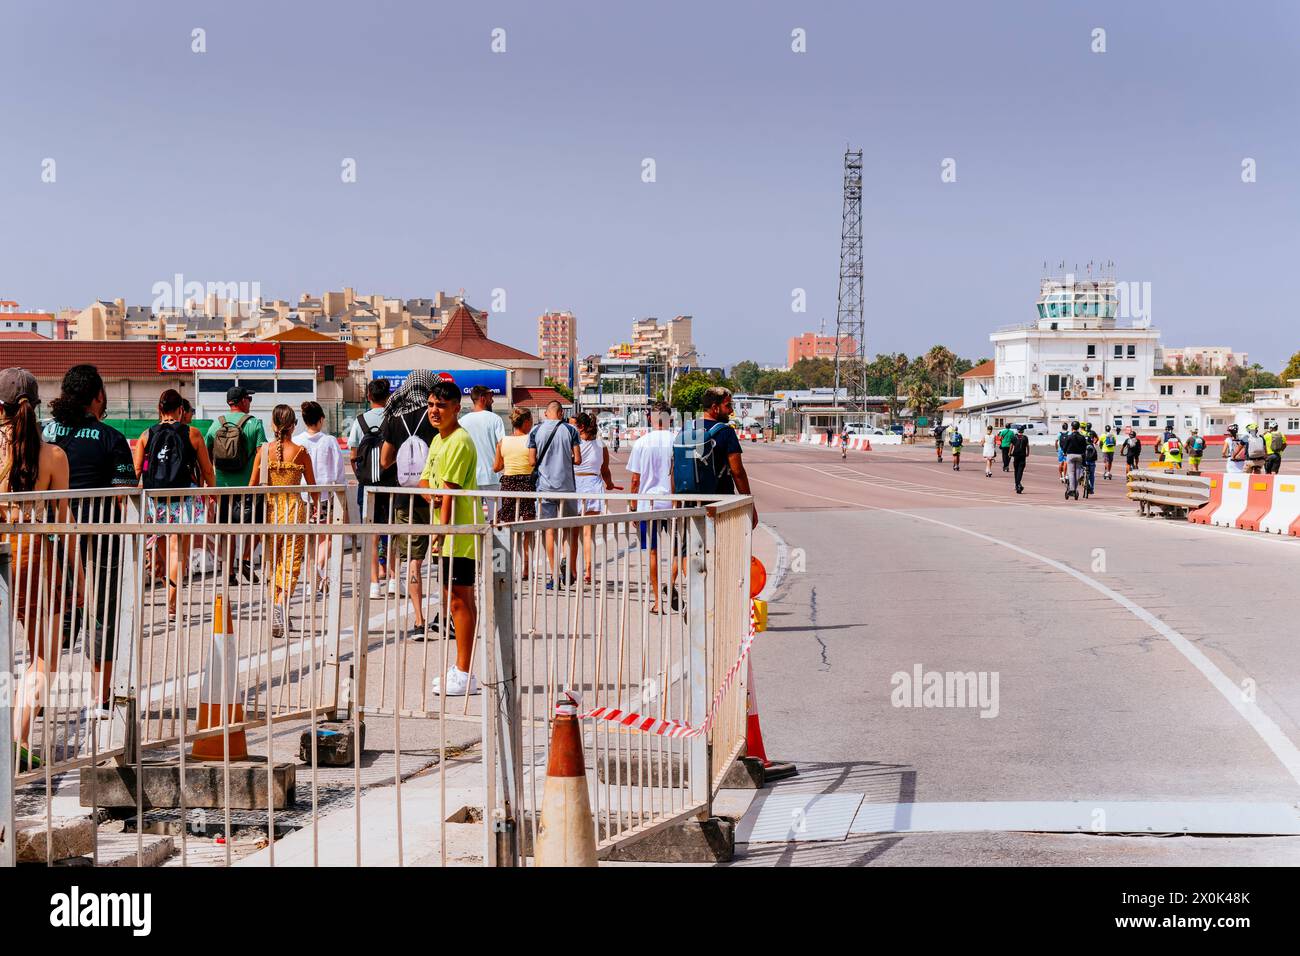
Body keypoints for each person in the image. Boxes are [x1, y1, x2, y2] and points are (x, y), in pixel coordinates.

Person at [43, 364, 137, 711]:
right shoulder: (110, 437)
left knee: (51, 614)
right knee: (102, 612)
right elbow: (124, 491)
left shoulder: (44, 433)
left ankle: (35, 697)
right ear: (98, 396)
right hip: (101, 538)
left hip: (50, 535)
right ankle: (101, 696)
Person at [2, 368, 70, 771]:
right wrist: (79, 581)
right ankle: (18, 738)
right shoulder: (53, 455)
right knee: (43, 657)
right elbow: (65, 528)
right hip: (32, 556)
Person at [420, 379, 481, 697]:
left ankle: (465, 670)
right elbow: (426, 483)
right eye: (431, 405)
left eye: (441, 406)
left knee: (460, 599)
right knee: (455, 598)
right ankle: (462, 667)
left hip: (457, 535)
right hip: (444, 533)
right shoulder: (437, 440)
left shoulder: (458, 440)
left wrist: (441, 533)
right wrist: (432, 497)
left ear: (457, 408)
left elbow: (449, 493)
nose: (434, 411)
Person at [134, 388, 216, 616]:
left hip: (156, 500)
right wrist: (213, 493)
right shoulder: (193, 434)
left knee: (165, 550)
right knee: (178, 552)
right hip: (185, 499)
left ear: (159, 410)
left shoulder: (145, 435)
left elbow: (137, 471)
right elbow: (207, 470)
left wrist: (129, 501)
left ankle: (171, 594)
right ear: (181, 410)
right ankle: (172, 603)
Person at [378, 371, 440, 635]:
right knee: (443, 555)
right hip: (436, 496)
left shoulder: (394, 419)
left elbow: (384, 461)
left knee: (414, 560)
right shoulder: (435, 415)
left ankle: (418, 619)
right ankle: (446, 611)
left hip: (405, 497)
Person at [249, 405, 317, 638]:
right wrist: (316, 505)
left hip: (269, 512)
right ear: (293, 426)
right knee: (290, 564)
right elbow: (313, 486)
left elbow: (252, 485)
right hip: (293, 511)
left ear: (273, 425)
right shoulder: (300, 452)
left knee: (272, 562)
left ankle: (278, 607)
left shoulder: (263, 451)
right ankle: (282, 603)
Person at [205, 386, 267, 585]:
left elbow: (206, 456)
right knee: (257, 525)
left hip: (223, 488)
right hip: (249, 487)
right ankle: (247, 559)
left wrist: (211, 483)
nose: (250, 401)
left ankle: (229, 573)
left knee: (227, 531)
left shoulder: (216, 425)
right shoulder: (255, 424)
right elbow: (262, 454)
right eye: (248, 398)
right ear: (241, 401)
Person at [629, 401, 680, 614]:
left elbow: (635, 479)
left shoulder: (641, 443)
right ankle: (671, 582)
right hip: (674, 503)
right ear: (670, 419)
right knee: (678, 549)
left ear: (651, 418)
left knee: (651, 552)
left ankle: (658, 600)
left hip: (647, 504)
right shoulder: (678, 441)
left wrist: (632, 506)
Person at [529, 400, 582, 588]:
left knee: (549, 531)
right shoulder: (571, 430)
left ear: (546, 413)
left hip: (545, 487)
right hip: (567, 487)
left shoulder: (535, 431)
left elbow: (531, 461)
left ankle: (553, 575)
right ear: (560, 413)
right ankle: (568, 563)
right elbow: (578, 459)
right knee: (571, 528)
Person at [349, 377, 392, 598]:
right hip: (391, 485)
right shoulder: (393, 418)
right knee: (393, 531)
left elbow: (353, 456)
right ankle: (393, 579)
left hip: (367, 487)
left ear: (368, 396)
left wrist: (362, 477)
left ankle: (374, 584)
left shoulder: (359, 421)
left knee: (371, 534)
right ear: (388, 396)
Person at [298, 400, 344, 595]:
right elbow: (338, 470)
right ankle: (319, 567)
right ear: (321, 420)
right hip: (325, 496)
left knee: (310, 540)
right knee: (327, 537)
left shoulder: (297, 440)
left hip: (303, 495)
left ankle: (312, 583)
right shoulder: (329, 441)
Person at [574, 412, 622, 584]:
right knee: (589, 533)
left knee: (573, 531)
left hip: (575, 486)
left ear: (580, 427)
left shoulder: (575, 442)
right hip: (594, 485)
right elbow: (605, 470)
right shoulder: (601, 445)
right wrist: (609, 484)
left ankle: (571, 568)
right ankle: (588, 569)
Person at [494, 407, 537, 576]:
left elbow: (497, 467)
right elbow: (534, 461)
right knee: (527, 528)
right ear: (526, 422)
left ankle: (507, 564)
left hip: (509, 483)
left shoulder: (503, 441)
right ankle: (526, 566)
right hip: (527, 483)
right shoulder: (531, 440)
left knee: (507, 525)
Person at [458, 384, 506, 523]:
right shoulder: (495, 419)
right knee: (496, 520)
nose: (493, 400)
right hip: (492, 476)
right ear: (483, 398)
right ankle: (496, 545)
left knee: (472, 518)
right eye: (491, 397)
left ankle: (474, 543)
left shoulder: (462, 421)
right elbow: (501, 444)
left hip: (470, 476)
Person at [1061, 421, 1088, 499]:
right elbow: (1084, 448)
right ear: (1078, 427)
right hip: (1079, 456)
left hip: (1070, 455)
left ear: (1072, 427)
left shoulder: (1069, 437)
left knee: (1071, 473)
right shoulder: (1082, 437)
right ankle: (1075, 488)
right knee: (1077, 473)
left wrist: (1064, 452)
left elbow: (1064, 447)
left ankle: (1072, 489)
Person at [1010, 424, 1030, 493]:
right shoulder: (1025, 437)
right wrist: (1028, 453)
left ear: (1017, 430)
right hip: (1022, 455)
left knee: (1016, 470)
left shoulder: (1014, 437)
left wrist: (1009, 453)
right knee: (1020, 471)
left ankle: (1017, 484)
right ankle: (1018, 484)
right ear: (1023, 431)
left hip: (1016, 455)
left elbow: (1011, 445)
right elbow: (1027, 446)